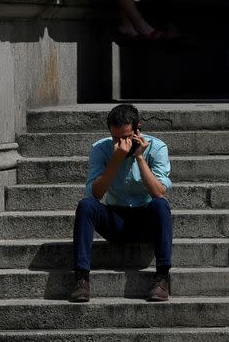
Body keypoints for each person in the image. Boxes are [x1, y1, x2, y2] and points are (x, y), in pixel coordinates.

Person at [69, 104, 173, 302]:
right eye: (116, 137)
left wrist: (140, 158)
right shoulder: (101, 149)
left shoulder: (157, 148)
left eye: (126, 137)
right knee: (86, 205)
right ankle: (81, 279)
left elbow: (159, 192)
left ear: (137, 130)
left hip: (145, 219)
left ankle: (162, 278)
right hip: (115, 218)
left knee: (161, 205)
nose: (121, 142)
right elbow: (96, 193)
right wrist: (116, 160)